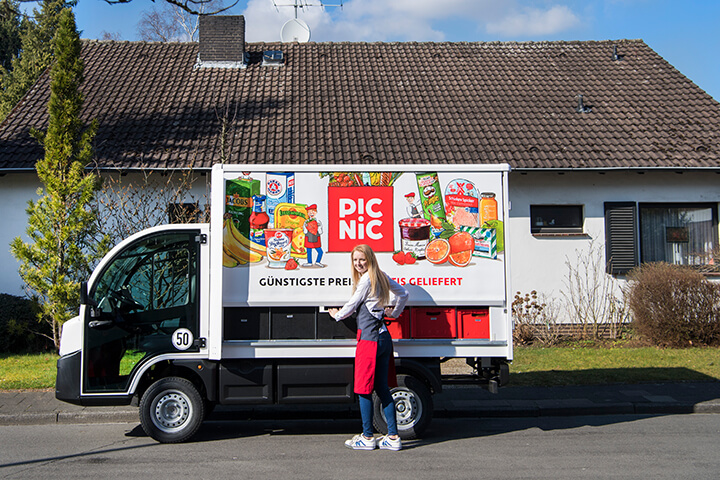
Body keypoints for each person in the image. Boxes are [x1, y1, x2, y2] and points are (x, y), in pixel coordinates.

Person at [328, 244, 409, 451]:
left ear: (370, 259)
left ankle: (367, 436)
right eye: (355, 260)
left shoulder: (366, 280)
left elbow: (352, 305)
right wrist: (395, 313)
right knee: (382, 388)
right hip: (384, 339)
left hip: (370, 341)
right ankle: (392, 437)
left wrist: (336, 314)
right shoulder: (381, 275)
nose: (358, 263)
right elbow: (404, 294)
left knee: (363, 390)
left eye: (362, 259)